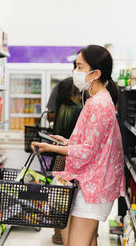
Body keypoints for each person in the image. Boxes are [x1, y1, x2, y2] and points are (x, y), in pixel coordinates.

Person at [31, 45, 126, 246]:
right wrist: (66, 142)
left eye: (80, 67)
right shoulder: (96, 100)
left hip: (94, 186)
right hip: (92, 182)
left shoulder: (99, 103)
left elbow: (87, 152)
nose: (75, 71)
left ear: (96, 73)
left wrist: (50, 148)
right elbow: (94, 143)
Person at [51, 77, 82, 245]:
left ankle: (57, 234)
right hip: (70, 157)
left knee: (58, 197)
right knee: (71, 198)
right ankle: (71, 234)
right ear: (72, 91)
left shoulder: (60, 109)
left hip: (58, 158)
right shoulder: (78, 110)